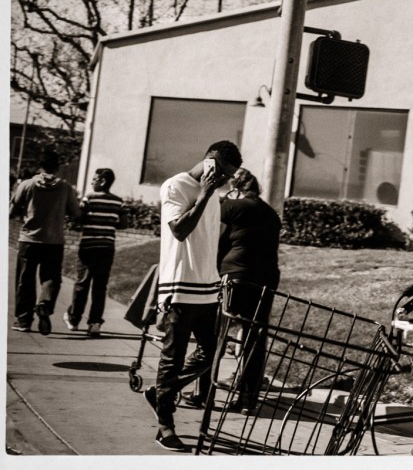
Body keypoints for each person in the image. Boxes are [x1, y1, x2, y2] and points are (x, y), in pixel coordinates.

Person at [144, 140, 242, 452]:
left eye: (229, 177)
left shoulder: (213, 195)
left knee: (213, 352)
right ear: (210, 160)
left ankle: (160, 392)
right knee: (171, 359)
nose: (225, 180)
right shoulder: (175, 186)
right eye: (223, 172)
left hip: (207, 287)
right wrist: (204, 194)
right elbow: (179, 230)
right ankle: (165, 427)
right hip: (180, 286)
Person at [217, 168, 282, 415]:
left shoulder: (231, 207)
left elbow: (217, 242)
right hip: (266, 277)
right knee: (255, 336)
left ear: (235, 189)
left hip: (235, 274)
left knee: (217, 333)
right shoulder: (271, 214)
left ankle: (204, 391)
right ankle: (248, 399)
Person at [10, 147, 81, 335]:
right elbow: (76, 213)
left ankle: (24, 320)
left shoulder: (26, 185)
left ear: (39, 165)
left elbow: (12, 210)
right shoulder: (65, 188)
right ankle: (44, 303)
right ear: (57, 167)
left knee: (25, 280)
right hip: (54, 241)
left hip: (29, 239)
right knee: (51, 277)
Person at [63, 167, 128, 336]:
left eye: (94, 179)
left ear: (102, 181)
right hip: (107, 247)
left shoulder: (89, 198)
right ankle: (94, 323)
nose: (92, 182)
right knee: (100, 286)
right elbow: (124, 224)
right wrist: (109, 221)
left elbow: (79, 217)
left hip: (88, 246)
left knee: (82, 283)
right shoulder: (118, 201)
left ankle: (74, 319)